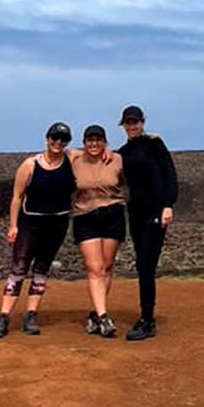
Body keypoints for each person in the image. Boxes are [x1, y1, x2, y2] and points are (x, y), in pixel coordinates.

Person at [0, 122, 75, 339]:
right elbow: (17, 197)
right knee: (19, 267)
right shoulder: (30, 164)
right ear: (47, 139)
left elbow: (95, 153)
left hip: (57, 223)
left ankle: (31, 314)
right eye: (54, 139)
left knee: (41, 269)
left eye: (63, 140)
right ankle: (4, 315)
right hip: (31, 223)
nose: (58, 143)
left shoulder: (72, 160)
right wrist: (13, 225)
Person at [117, 104, 178, 341]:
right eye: (128, 123)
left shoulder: (155, 145)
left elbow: (169, 174)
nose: (132, 126)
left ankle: (147, 319)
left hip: (155, 211)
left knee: (145, 264)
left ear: (142, 122)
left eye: (135, 122)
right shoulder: (123, 152)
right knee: (142, 263)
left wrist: (168, 205)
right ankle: (146, 315)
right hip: (136, 213)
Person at [71, 124, 126, 339]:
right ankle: (104, 317)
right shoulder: (74, 160)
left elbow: (128, 181)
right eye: (89, 140)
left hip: (113, 213)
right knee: (94, 267)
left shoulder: (117, 160)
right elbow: (60, 153)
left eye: (98, 140)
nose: (94, 144)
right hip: (85, 216)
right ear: (84, 143)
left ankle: (95, 313)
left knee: (106, 266)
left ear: (105, 142)